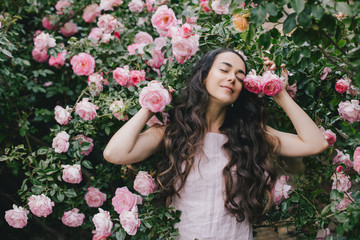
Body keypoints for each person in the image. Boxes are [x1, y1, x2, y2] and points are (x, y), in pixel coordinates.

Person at [103, 48, 329, 239]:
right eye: (224, 69)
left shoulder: (250, 135)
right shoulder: (172, 131)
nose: (232, 78)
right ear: (203, 77)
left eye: (240, 77)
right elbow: (114, 153)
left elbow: (314, 143)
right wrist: (151, 103)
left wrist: (279, 92)